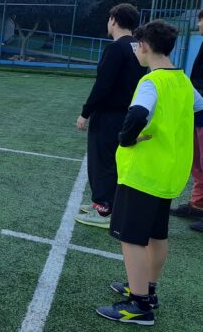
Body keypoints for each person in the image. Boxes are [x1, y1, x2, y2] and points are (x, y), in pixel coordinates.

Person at [96, 20, 203, 326]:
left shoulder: (151, 82)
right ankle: (147, 290)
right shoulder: (182, 81)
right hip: (169, 173)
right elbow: (201, 109)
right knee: (157, 233)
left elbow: (138, 113)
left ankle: (138, 305)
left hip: (144, 172)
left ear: (143, 45)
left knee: (131, 238)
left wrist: (126, 139)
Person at [75, 4, 145, 229]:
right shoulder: (138, 46)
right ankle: (107, 205)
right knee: (115, 161)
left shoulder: (116, 48)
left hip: (109, 115)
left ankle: (104, 209)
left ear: (114, 20)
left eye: (109, 19)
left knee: (102, 161)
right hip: (127, 113)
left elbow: (103, 85)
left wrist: (85, 112)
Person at [171, 9, 203, 233]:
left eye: (201, 20)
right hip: (198, 112)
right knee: (197, 162)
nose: (199, 24)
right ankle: (197, 204)